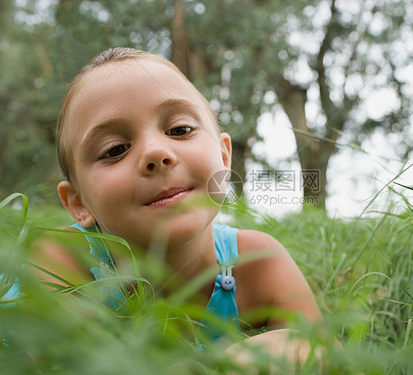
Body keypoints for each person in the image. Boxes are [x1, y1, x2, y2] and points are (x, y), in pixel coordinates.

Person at [30, 47, 323, 366]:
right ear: (79, 203)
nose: (156, 151)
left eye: (180, 130)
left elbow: (335, 359)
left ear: (224, 159)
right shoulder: (64, 262)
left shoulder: (258, 263)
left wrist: (299, 347)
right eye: (115, 149)